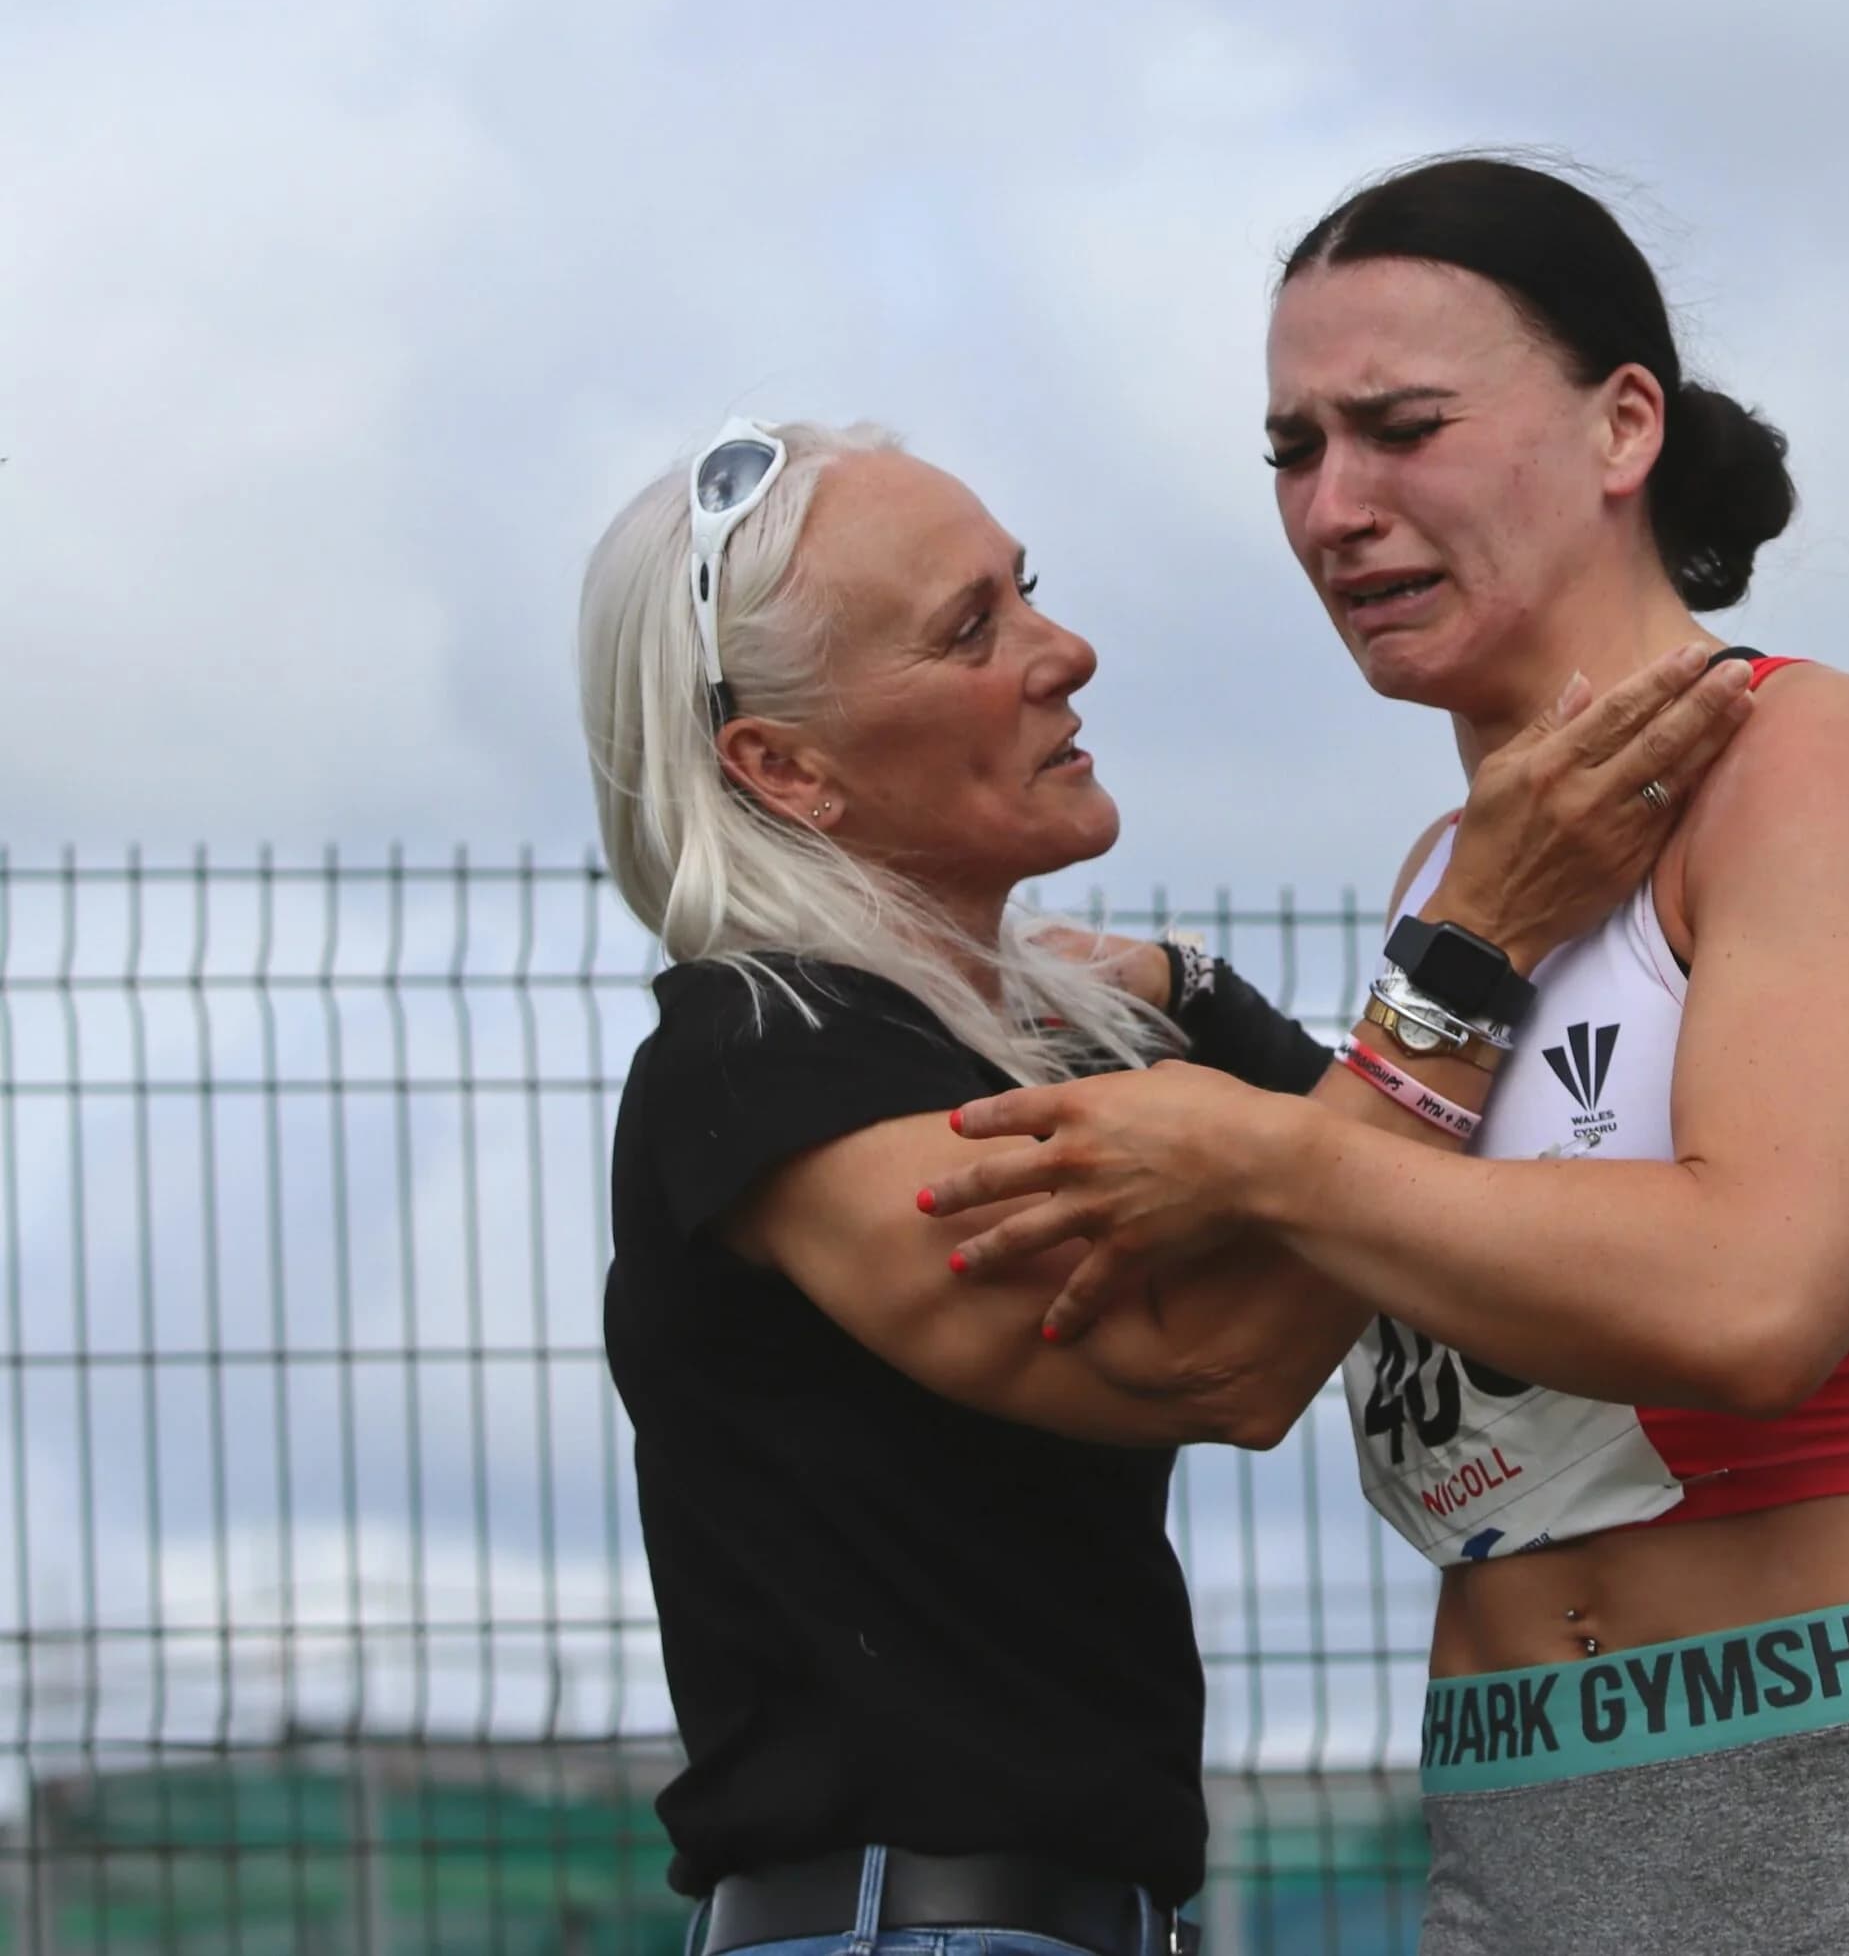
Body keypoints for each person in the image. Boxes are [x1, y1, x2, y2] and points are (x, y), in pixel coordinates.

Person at [921, 157, 1849, 1952]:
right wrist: (1195, 1009)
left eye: (1403, 427)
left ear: (1624, 427)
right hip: (1511, 1824)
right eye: (1293, 451)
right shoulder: (1452, 887)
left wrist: (1258, 1155)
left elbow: (1756, 1301)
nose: (1336, 509)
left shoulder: (1823, 762)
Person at [577, 413, 1761, 1955]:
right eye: (969, 630)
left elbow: (1432, 1190)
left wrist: (1815, 1147)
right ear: (783, 767)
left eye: (1027, 589)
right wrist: (1470, 941)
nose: (1063, 651)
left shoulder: (1008, 1051)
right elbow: (1218, 1351)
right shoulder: (759, 1050)